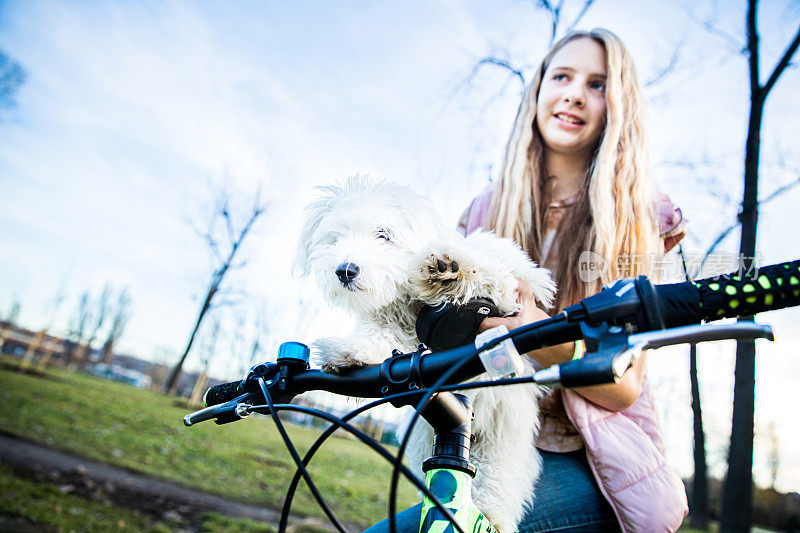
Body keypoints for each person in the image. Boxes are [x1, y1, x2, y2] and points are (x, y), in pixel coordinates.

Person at [366, 28, 688, 532]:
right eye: (561, 75)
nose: (575, 93)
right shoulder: (485, 209)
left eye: (598, 84)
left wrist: (536, 329)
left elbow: (624, 384)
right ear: (538, 90)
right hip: (482, 440)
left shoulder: (634, 216)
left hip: (587, 459)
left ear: (617, 105)